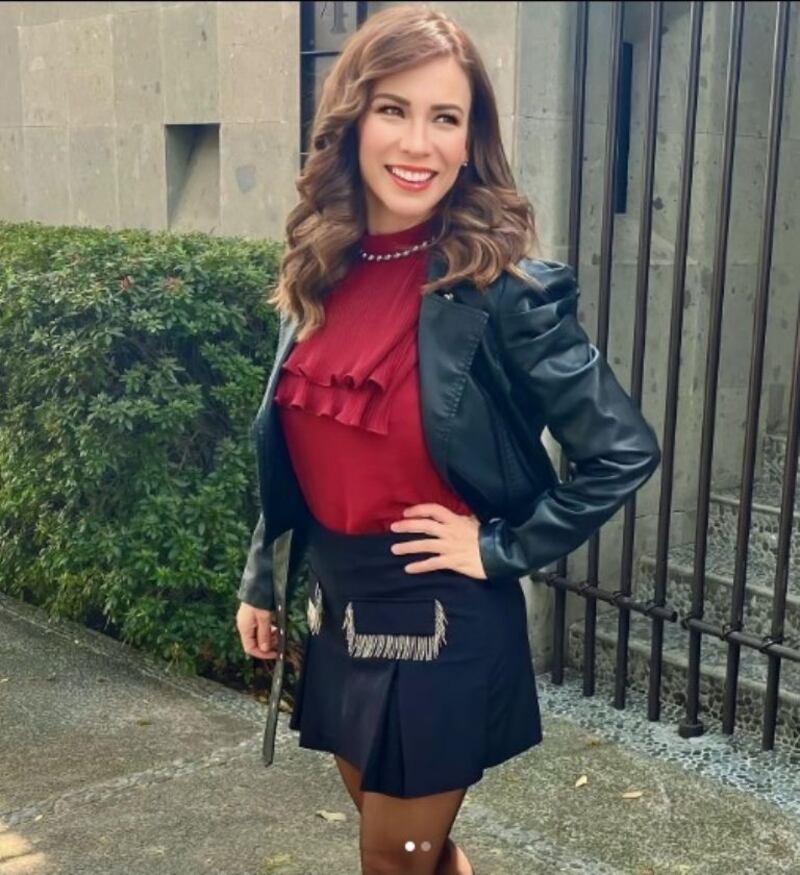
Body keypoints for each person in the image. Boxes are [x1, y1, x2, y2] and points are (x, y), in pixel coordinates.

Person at [235, 5, 662, 875]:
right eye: (393, 109)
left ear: (472, 141)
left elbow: (622, 449)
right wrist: (262, 580)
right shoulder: (320, 263)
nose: (417, 142)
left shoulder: (505, 289)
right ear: (353, 122)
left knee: (392, 858)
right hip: (339, 606)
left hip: (441, 616)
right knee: (414, 851)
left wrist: (500, 547)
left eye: (445, 117)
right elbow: (302, 446)